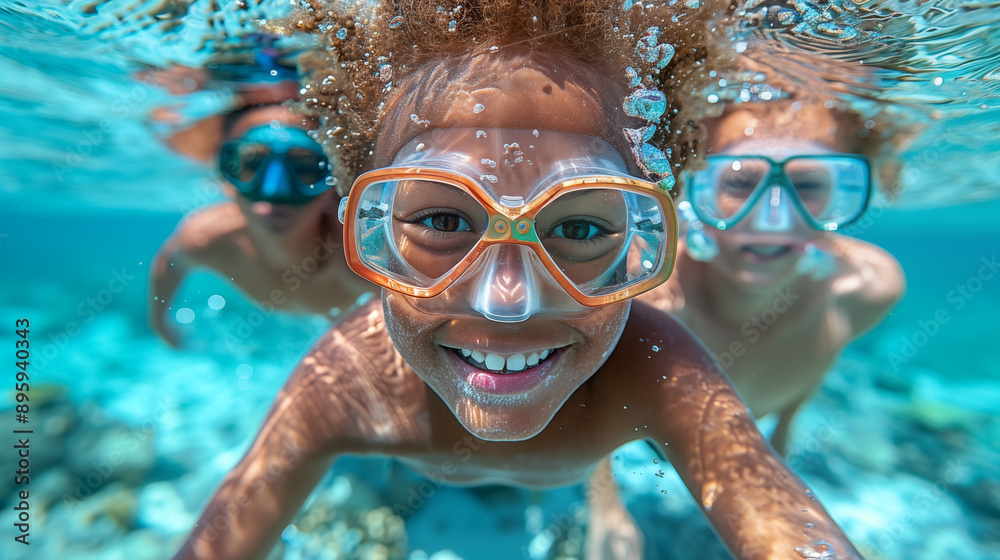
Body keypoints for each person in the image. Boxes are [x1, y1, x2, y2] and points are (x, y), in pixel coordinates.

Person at [171, 2, 866, 559]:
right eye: (443, 220)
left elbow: (784, 521)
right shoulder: (348, 380)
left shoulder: (651, 369)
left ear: (646, 238)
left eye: (582, 229)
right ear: (368, 229)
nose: (509, 300)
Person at [639, 99, 906, 455]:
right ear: (690, 190)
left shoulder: (867, 288)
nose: (772, 222)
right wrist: (605, 505)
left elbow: (816, 358)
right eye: (739, 182)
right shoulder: (649, 304)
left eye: (808, 185)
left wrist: (784, 429)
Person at [145, 48, 372, 347]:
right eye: (252, 165)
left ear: (332, 183)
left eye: (303, 167)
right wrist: (161, 324)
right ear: (226, 178)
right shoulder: (206, 237)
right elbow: (168, 262)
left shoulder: (362, 261)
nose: (274, 190)